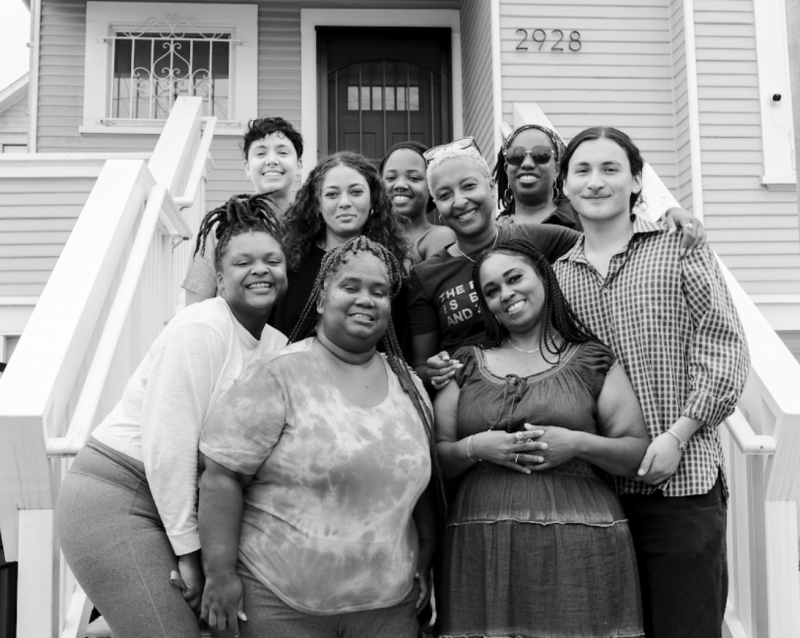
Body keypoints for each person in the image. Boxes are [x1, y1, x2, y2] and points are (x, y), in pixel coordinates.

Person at [55, 194, 290, 638]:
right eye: (242, 262)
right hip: (119, 495)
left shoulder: (276, 346)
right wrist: (190, 553)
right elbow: (170, 445)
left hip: (182, 507)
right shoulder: (201, 328)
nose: (259, 269)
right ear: (219, 280)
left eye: (271, 260)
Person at [554, 126, 750, 638]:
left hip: (681, 483)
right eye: (583, 170)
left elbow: (723, 348)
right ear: (565, 187)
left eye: (611, 169)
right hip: (594, 493)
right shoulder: (557, 278)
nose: (596, 182)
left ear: (637, 181)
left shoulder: (679, 247)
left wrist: (677, 434)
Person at [198, 237, 437, 638]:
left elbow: (420, 482)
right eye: (351, 287)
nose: (366, 299)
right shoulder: (278, 374)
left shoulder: (409, 384)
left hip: (388, 609)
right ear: (323, 300)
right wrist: (219, 575)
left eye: (379, 292)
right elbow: (220, 478)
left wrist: (426, 550)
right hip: (281, 605)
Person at [434, 237, 650, 638]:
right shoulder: (463, 364)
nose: (506, 295)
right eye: (492, 291)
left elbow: (635, 451)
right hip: (484, 544)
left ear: (544, 277)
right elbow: (440, 457)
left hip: (581, 540)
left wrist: (577, 443)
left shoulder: (591, 359)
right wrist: (477, 447)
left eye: (515, 278)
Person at [415, 137, 707, 389]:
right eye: (444, 195)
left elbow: (607, 239)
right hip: (470, 396)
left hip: (549, 385)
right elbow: (421, 367)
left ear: (491, 186)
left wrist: (667, 215)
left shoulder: (539, 239)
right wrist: (434, 370)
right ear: (436, 207)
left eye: (468, 186)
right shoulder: (426, 275)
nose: (460, 200)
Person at [272, 151, 409, 346]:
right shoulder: (290, 265)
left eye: (355, 192)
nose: (344, 203)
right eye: (332, 194)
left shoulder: (392, 266)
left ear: (373, 200)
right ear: (317, 204)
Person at [182, 116, 303, 305]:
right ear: (247, 167)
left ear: (299, 166)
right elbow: (195, 303)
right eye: (261, 154)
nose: (272, 160)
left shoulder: (311, 223)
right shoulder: (222, 226)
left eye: (282, 152)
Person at [379, 141, 455, 265]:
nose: (400, 185)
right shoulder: (371, 236)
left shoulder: (440, 237)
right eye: (391, 178)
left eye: (414, 178)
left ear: (431, 187)